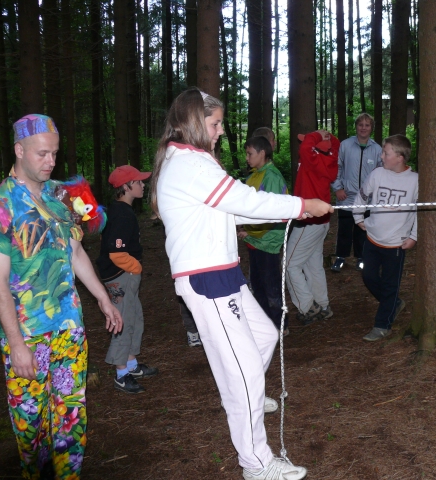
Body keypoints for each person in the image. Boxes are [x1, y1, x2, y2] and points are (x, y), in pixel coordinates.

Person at [150, 87, 332, 480]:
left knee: (264, 336)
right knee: (247, 372)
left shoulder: (194, 161)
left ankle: (242, 395)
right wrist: (302, 205)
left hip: (224, 273)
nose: (220, 131)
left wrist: (290, 211)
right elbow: (246, 200)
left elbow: (232, 211)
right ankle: (256, 463)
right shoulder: (189, 164)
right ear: (194, 122)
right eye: (215, 124)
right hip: (207, 278)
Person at [0, 114, 123, 479]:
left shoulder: (61, 195)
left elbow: (76, 252)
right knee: (31, 428)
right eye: (42, 153)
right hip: (27, 335)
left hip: (68, 327)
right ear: (19, 150)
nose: (51, 161)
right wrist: (16, 344)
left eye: (54, 153)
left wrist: (103, 298)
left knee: (71, 416)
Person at [96, 165, 159, 394]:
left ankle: (131, 364)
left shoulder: (121, 210)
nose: (142, 185)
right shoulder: (122, 214)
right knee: (122, 321)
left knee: (134, 317)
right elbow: (116, 253)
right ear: (126, 186)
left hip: (125, 275)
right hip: (121, 275)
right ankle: (121, 374)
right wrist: (136, 267)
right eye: (138, 182)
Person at [353, 134, 418, 341]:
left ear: (400, 157)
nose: (381, 156)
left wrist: (414, 236)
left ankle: (382, 325)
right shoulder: (377, 174)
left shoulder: (415, 181)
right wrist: (358, 216)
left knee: (391, 285)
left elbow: (420, 212)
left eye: (386, 153)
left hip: (396, 244)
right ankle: (393, 303)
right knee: (368, 276)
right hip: (372, 238)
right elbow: (362, 195)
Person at [285, 130, 339, 325]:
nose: (304, 144)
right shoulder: (329, 160)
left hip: (308, 223)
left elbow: (305, 148)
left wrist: (316, 135)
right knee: (313, 265)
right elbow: (336, 145)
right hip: (321, 223)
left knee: (289, 265)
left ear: (315, 149)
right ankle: (322, 305)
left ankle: (308, 307)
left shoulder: (312, 159)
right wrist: (327, 137)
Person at [237, 136, 290, 335]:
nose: (247, 157)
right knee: (258, 286)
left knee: (271, 286)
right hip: (254, 241)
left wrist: (249, 231)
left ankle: (280, 324)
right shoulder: (253, 176)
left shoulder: (271, 177)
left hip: (268, 241)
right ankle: (266, 325)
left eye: (250, 153)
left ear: (262, 153)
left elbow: (272, 213)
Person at [331, 113, 382, 272]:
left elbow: (381, 173)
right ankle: (341, 257)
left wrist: (375, 193)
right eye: (360, 125)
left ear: (371, 128)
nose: (363, 128)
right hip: (346, 196)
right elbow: (336, 168)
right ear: (356, 127)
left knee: (362, 229)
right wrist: (338, 188)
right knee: (344, 230)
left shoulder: (377, 149)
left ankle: (361, 258)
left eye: (367, 125)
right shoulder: (345, 145)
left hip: (367, 198)